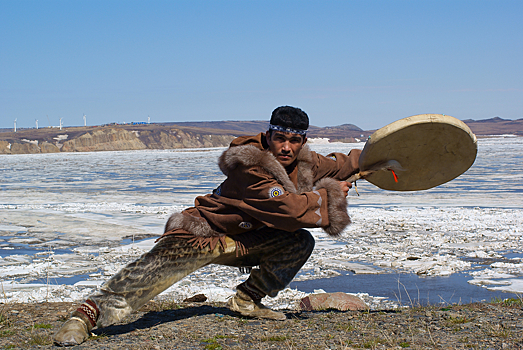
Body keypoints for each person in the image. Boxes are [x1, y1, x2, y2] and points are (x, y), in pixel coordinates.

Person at [53, 106, 362, 346]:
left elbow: (342, 164)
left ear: (303, 142)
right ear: (268, 137)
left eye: (294, 141)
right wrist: (324, 196)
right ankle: (85, 317)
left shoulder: (303, 162)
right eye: (280, 139)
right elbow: (289, 209)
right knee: (149, 272)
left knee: (299, 242)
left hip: (244, 239)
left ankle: (247, 300)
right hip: (202, 231)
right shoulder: (251, 165)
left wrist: (382, 158)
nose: (286, 147)